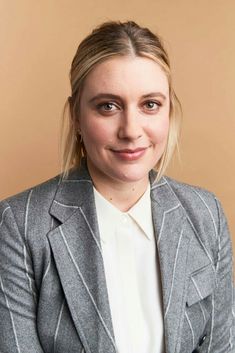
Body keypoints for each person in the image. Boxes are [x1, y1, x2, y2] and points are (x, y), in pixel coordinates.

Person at [0, 21, 234, 353]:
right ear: (77, 118)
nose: (131, 130)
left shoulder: (205, 214)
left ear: (170, 111)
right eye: (108, 106)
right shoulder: (19, 225)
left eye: (150, 104)